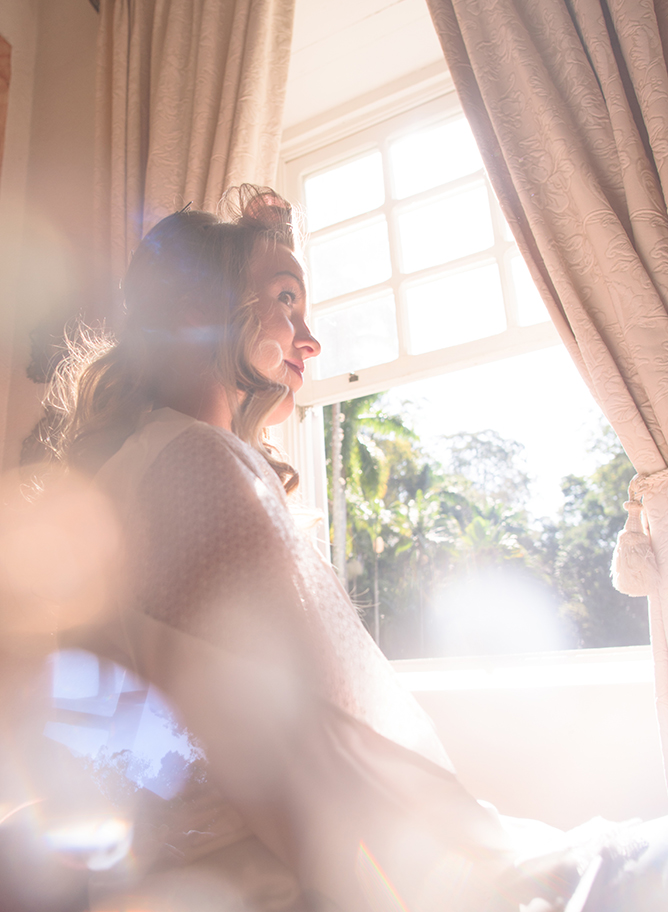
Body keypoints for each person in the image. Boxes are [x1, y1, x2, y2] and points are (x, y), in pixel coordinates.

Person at [5, 186, 666, 912]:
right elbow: (297, 755)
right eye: (286, 300)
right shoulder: (194, 463)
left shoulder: (146, 464)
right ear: (198, 307)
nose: (310, 338)